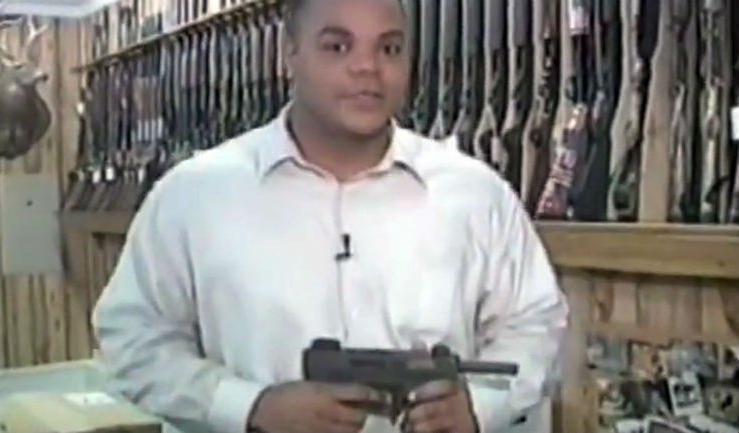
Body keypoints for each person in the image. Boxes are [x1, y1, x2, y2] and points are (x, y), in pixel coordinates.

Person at [92, 0, 569, 432]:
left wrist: (479, 408)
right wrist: (250, 406)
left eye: (389, 48)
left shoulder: (476, 194)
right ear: (290, 52)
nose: (367, 67)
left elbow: (536, 323)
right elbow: (132, 338)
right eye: (337, 46)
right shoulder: (193, 195)